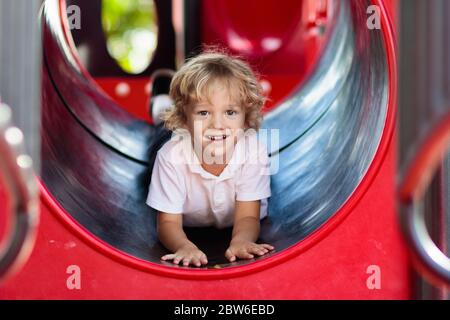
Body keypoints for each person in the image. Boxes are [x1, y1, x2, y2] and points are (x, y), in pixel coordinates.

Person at [147, 50, 274, 267]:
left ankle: (170, 104)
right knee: (160, 132)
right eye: (204, 112)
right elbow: (167, 222)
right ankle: (160, 101)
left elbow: (247, 217)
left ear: (245, 120)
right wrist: (183, 246)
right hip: (179, 140)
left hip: (215, 143)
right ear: (185, 120)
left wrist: (241, 240)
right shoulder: (171, 157)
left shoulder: (253, 152)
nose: (217, 123)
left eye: (230, 112)